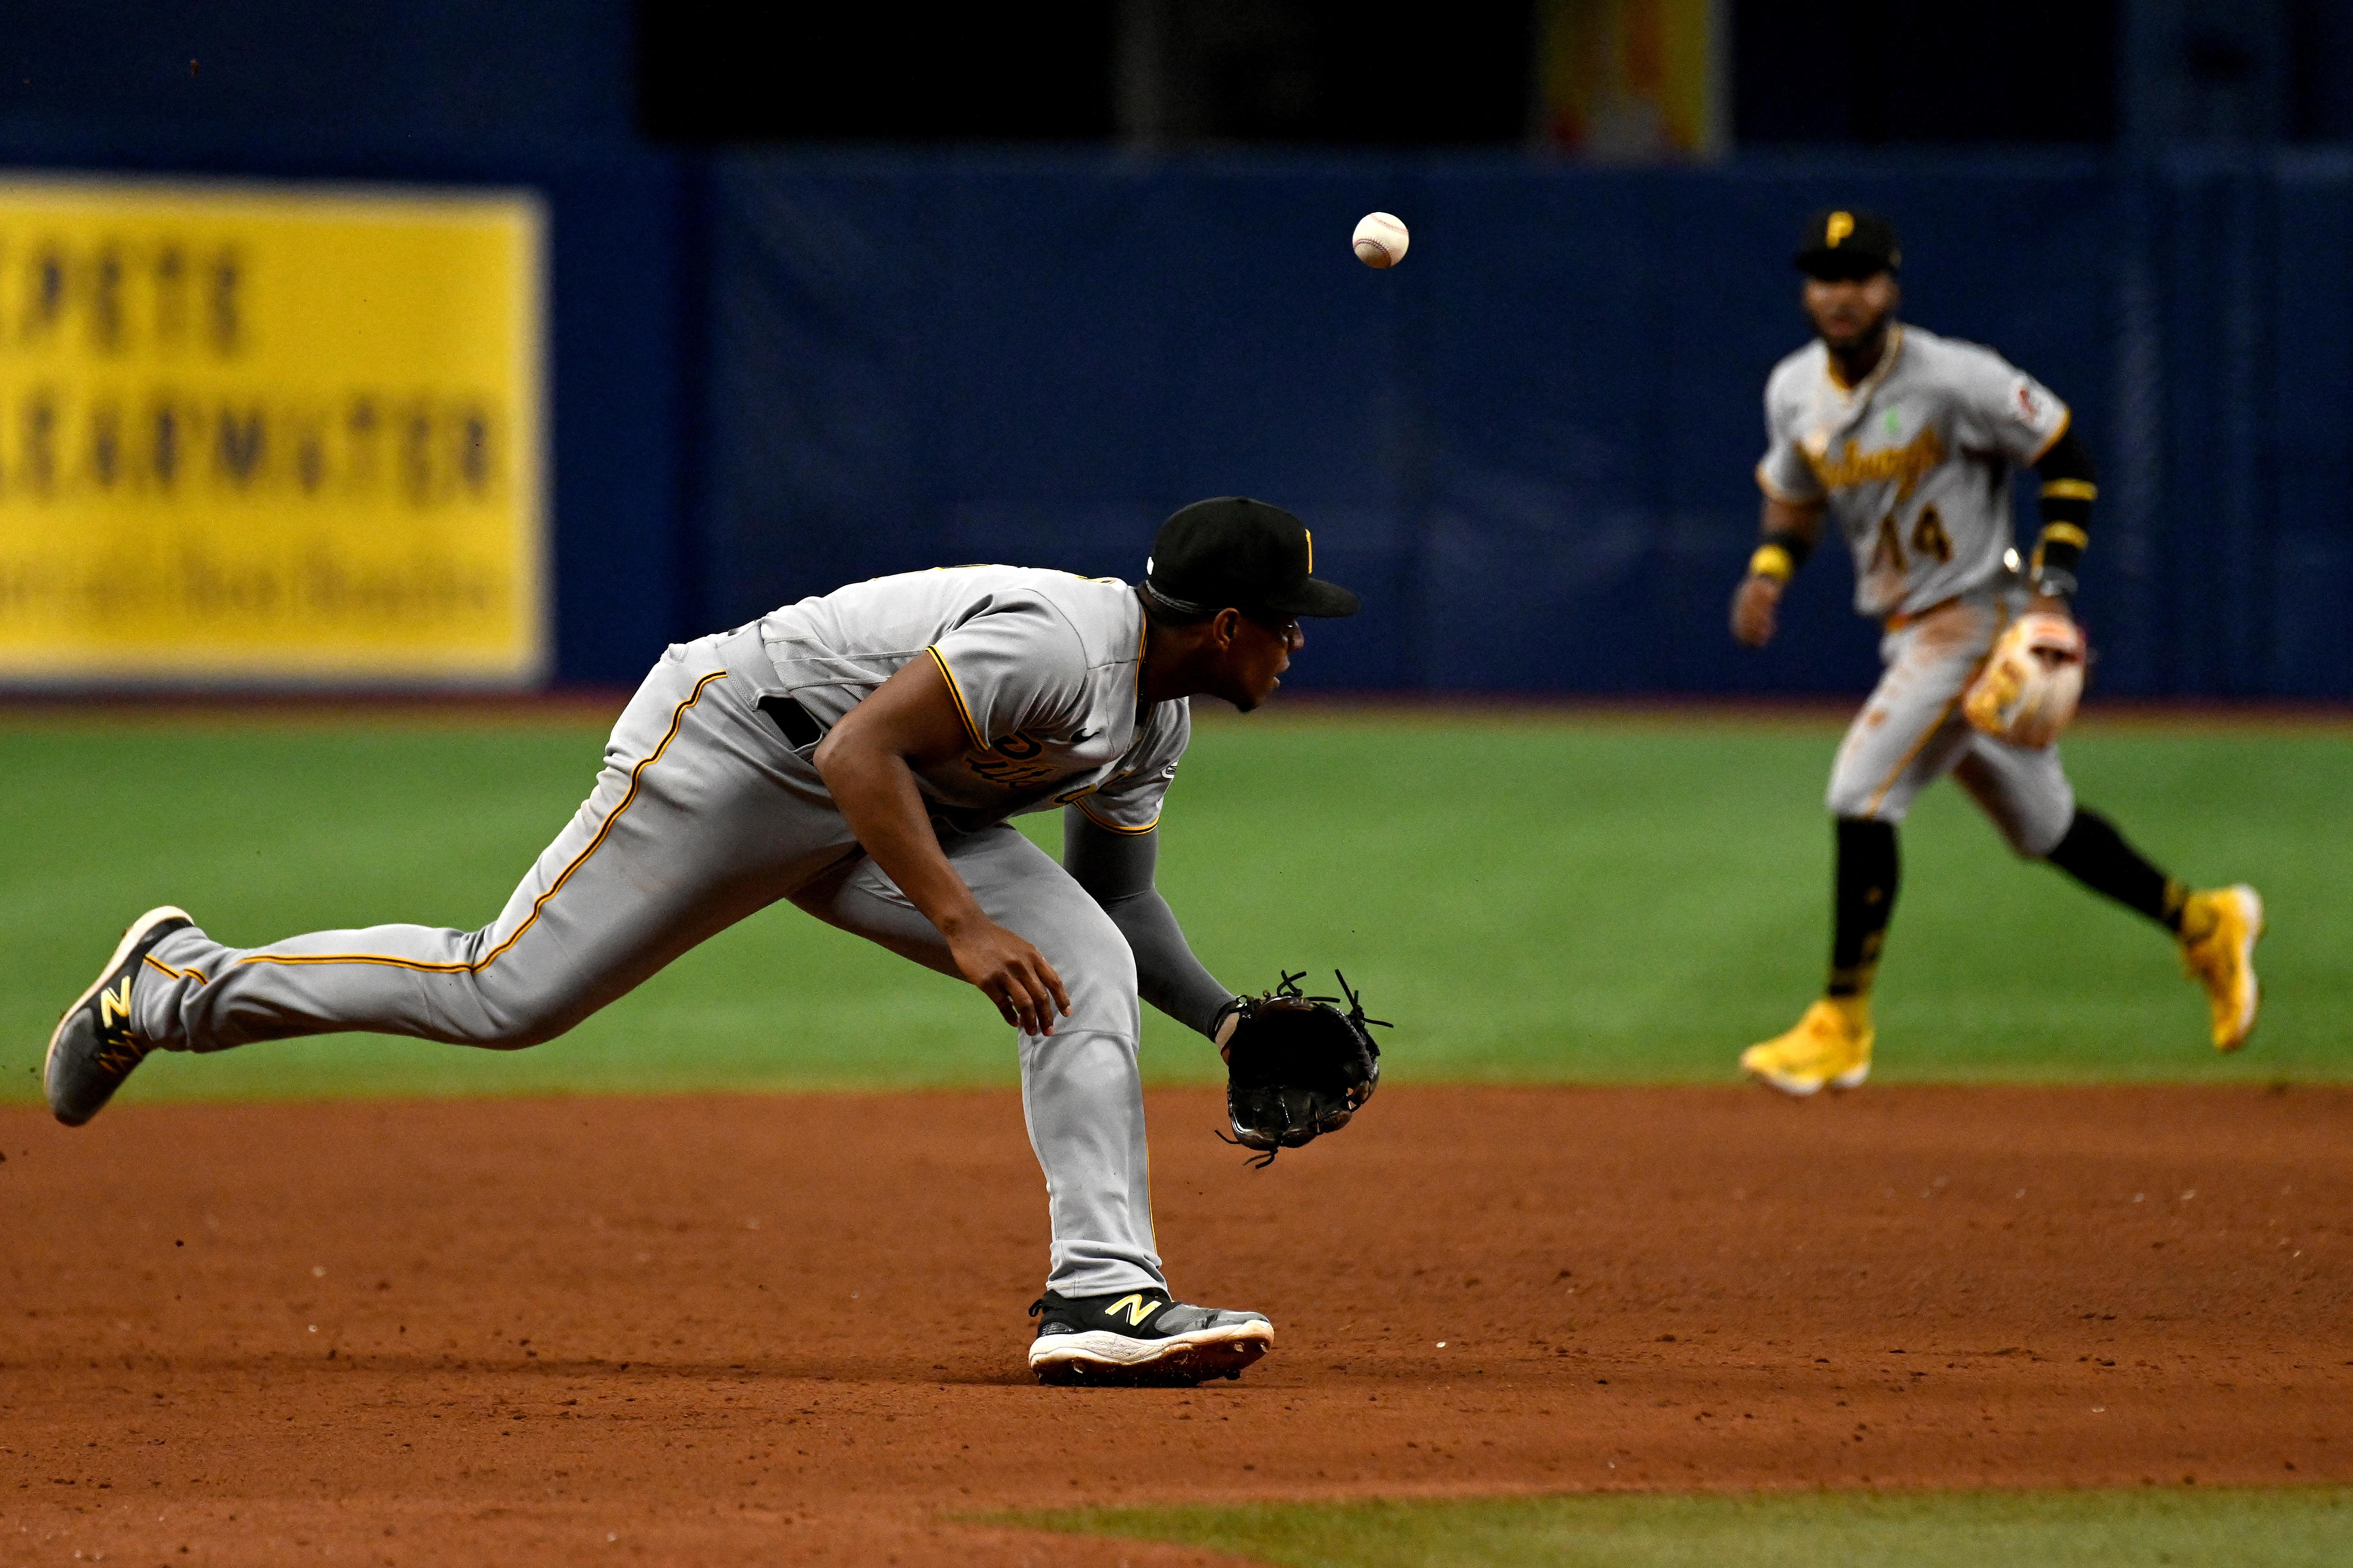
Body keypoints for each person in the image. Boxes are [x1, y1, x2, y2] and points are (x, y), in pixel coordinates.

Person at [44, 496, 1358, 1386]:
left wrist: (1229, 1024)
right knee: (508, 993)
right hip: (741, 746)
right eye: (1288, 619)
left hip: (896, 804)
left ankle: (1100, 1298)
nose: (1301, 640)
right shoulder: (1065, 647)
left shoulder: (1153, 722)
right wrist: (959, 925)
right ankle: (178, 985)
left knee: (1081, 968)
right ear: (1224, 626)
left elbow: (1116, 904)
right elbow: (856, 749)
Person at [1728, 208, 2263, 1096]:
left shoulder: (1955, 378)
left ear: (1889, 287)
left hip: (1973, 621)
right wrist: (1768, 571)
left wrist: (2053, 589)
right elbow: (1793, 499)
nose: (1840, 294)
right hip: (1907, 626)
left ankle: (1840, 1023)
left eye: (1858, 275)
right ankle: (2202, 922)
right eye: (1825, 276)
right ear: (1806, 289)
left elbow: (2067, 456)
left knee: (1860, 793)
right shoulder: (1793, 390)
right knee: (2042, 828)